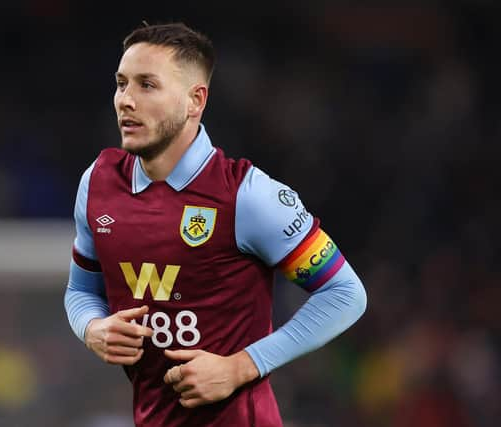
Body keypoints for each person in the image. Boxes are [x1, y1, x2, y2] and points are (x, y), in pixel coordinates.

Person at [64, 22, 367, 427]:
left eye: (147, 85)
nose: (125, 100)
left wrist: (241, 366)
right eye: (122, 84)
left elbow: (345, 294)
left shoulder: (246, 195)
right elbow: (81, 289)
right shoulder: (99, 182)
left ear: (195, 100)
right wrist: (92, 327)